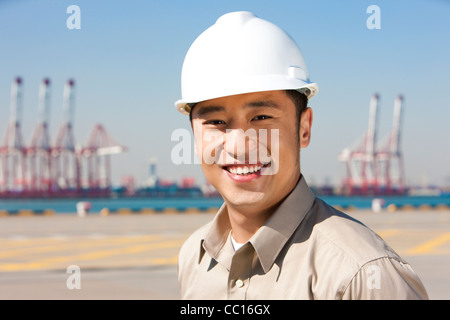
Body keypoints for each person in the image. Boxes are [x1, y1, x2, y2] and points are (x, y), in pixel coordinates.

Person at [175, 11, 428, 300]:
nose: (239, 146)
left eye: (261, 117)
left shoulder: (362, 277)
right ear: (195, 137)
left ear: (304, 128)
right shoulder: (193, 259)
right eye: (216, 122)